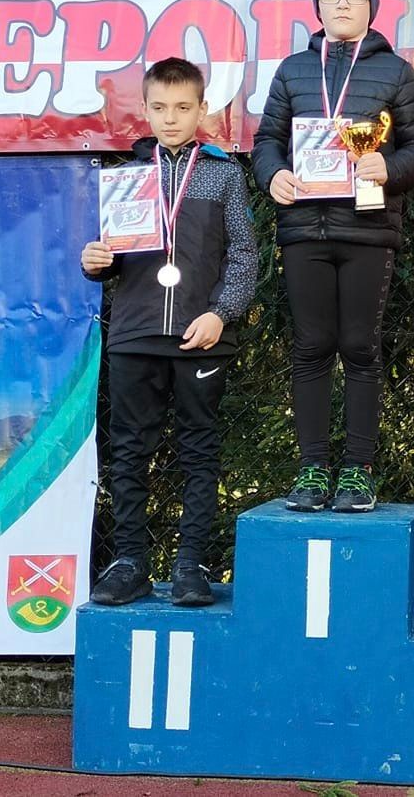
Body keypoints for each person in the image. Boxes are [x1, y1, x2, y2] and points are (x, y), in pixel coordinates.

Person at [251, 0, 414, 511]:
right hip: (304, 229)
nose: (341, 4)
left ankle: (358, 469)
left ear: (372, 7)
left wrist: (389, 167)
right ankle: (312, 469)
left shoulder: (395, 72)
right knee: (310, 347)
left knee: (360, 346)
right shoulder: (292, 70)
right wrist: (273, 175)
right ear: (317, 6)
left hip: (367, 228)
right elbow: (266, 141)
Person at [81, 57, 259, 606]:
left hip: (200, 335)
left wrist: (221, 313)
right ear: (145, 109)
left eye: (183, 108)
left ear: (203, 109)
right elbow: (111, 255)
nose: (171, 118)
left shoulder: (224, 173)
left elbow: (244, 255)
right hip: (134, 333)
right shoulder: (128, 174)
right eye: (159, 108)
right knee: (129, 450)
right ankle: (130, 561)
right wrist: (96, 261)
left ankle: (191, 564)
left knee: (199, 450)